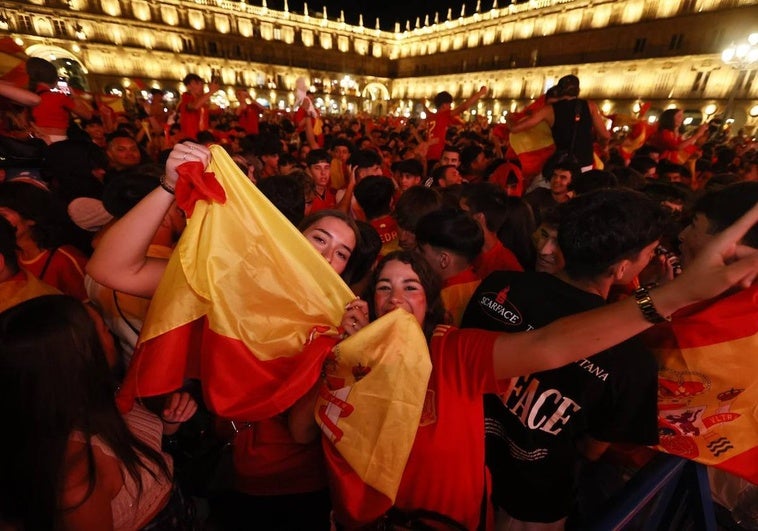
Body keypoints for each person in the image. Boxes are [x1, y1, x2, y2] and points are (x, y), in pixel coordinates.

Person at [297, 208, 758, 529]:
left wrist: (675, 295)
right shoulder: (348, 356)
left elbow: (549, 344)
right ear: (369, 299)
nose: (397, 298)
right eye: (384, 287)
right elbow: (303, 432)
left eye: (411, 286)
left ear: (429, 301)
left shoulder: (454, 353)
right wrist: (335, 354)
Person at [460, 188, 668, 529]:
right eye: (649, 253)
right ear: (621, 268)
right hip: (531, 502)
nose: (652, 260)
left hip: (463, 465)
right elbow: (592, 450)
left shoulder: (497, 286)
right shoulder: (632, 360)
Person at [0, 294, 197, 530]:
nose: (111, 335)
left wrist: (169, 421)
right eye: (103, 330)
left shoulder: (98, 395)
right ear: (76, 360)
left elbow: (139, 444)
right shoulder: (78, 482)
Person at [509, 75, 609, 172]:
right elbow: (605, 135)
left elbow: (515, 129)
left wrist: (510, 119)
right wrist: (604, 146)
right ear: (578, 90)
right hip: (585, 163)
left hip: (562, 164)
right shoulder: (590, 106)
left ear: (560, 90)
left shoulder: (548, 110)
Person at [415, 207, 484, 326]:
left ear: (443, 259)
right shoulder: (481, 285)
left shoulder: (439, 303)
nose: (415, 253)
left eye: (421, 250)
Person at [460, 182, 524, 279]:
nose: (457, 217)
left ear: (479, 218)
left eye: (463, 212)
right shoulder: (461, 250)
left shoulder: (507, 268)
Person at [26, 57, 92, 144]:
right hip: (58, 140)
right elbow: (87, 115)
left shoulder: (27, 97)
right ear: (54, 79)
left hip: (36, 139)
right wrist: (74, 96)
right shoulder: (59, 97)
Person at [424, 86, 488, 167]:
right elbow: (464, 107)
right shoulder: (444, 115)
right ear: (443, 105)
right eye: (449, 105)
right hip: (438, 155)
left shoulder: (430, 116)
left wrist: (423, 103)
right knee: (435, 178)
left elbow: (426, 110)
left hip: (427, 154)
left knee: (429, 178)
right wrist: (480, 93)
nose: (450, 107)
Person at [177, 73, 219, 141]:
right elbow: (194, 106)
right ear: (188, 86)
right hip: (190, 140)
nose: (201, 86)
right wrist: (211, 92)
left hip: (203, 139)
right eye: (197, 83)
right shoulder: (186, 99)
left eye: (201, 84)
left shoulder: (203, 103)